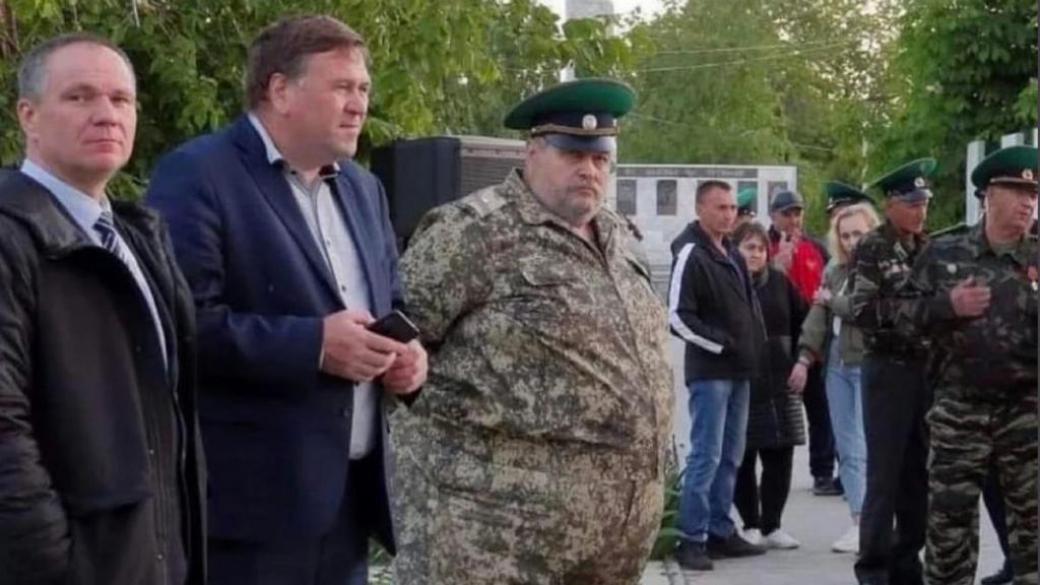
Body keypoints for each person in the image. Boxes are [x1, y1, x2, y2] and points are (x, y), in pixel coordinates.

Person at [146, 15, 426, 585]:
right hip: (250, 517)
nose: (359, 105)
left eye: (363, 88)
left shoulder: (364, 188)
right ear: (280, 91)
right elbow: (181, 327)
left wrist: (409, 359)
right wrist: (314, 346)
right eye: (342, 87)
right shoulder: (199, 174)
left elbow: (391, 300)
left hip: (349, 504)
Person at [391, 78, 673, 585]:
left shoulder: (619, 237)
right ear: (533, 151)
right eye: (572, 154)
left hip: (607, 547)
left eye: (601, 158)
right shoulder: (470, 233)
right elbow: (393, 349)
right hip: (496, 544)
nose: (589, 170)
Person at [0, 34, 206, 584]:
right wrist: (52, 562)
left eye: (120, 99)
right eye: (80, 97)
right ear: (28, 115)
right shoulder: (10, 238)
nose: (106, 114)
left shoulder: (140, 238)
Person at [901, 145, 1038, 585]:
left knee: (1034, 528)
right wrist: (947, 305)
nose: (1028, 202)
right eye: (1017, 191)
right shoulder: (945, 253)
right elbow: (898, 320)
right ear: (988, 195)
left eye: (1033, 194)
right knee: (949, 529)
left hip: (1026, 411)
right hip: (959, 408)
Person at [670, 180, 767, 571]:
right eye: (720, 207)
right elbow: (678, 317)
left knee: (731, 456)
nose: (729, 215)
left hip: (741, 371)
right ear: (700, 209)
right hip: (711, 373)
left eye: (732, 208)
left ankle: (719, 530)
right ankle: (691, 538)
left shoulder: (732, 253)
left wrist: (753, 349)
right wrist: (723, 345)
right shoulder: (691, 253)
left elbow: (749, 308)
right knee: (706, 455)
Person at [849, 158, 937, 585]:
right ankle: (873, 568)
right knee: (884, 474)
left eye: (924, 203)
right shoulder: (874, 247)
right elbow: (861, 309)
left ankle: (907, 561)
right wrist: (921, 311)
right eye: (912, 204)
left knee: (919, 474)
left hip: (925, 371)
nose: (920, 212)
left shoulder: (929, 247)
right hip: (887, 371)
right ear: (891, 205)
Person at [789, 202, 880, 554]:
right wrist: (804, 357)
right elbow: (818, 314)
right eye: (845, 235)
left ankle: (878, 520)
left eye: (859, 234)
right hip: (838, 366)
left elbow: (866, 310)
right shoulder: (834, 269)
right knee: (849, 449)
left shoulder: (881, 267)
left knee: (870, 447)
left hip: (870, 365)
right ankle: (859, 521)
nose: (852, 241)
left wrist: (832, 301)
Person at [730, 221, 807, 551]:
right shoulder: (728, 282)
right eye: (749, 247)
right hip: (743, 382)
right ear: (735, 250)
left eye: (761, 248)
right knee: (743, 457)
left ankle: (773, 524)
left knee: (780, 455)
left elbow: (803, 321)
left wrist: (802, 360)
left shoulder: (780, 282)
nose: (756, 254)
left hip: (780, 382)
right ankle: (750, 523)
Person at [768, 190, 840, 496]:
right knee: (778, 414)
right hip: (777, 344)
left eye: (797, 213)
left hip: (814, 342)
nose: (793, 219)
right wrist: (777, 268)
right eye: (787, 213)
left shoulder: (816, 247)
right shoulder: (762, 246)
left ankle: (822, 472)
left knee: (821, 411)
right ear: (773, 215)